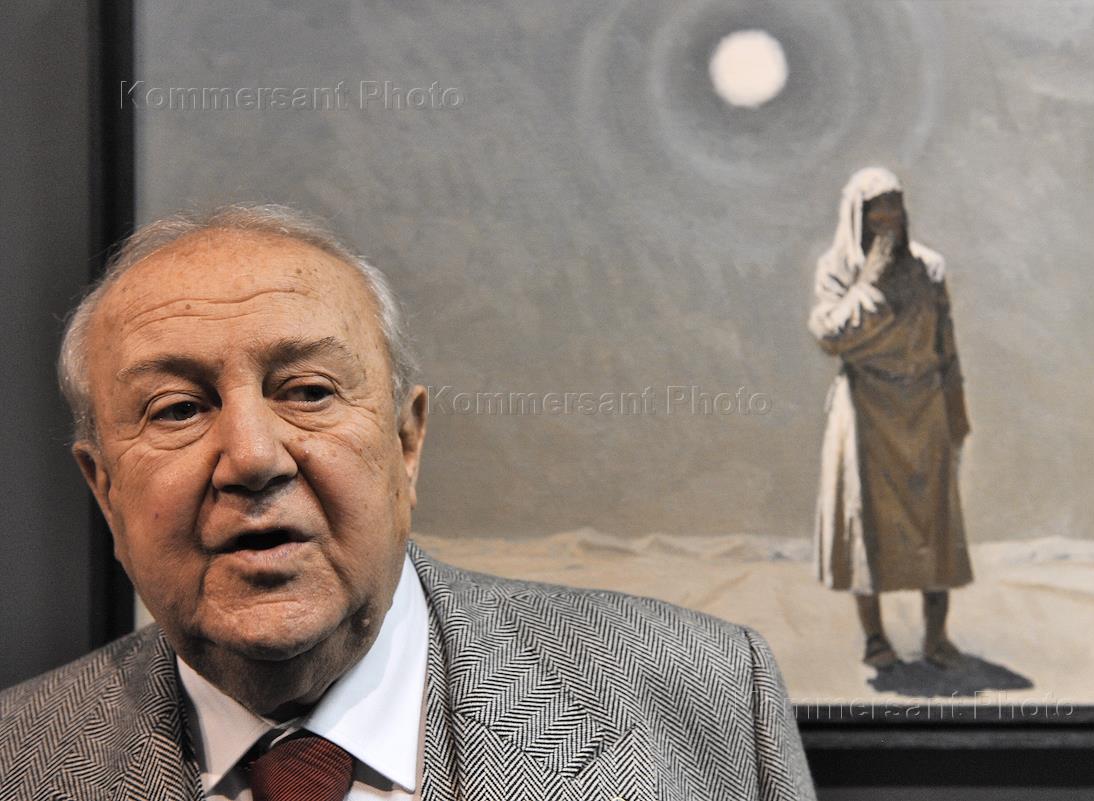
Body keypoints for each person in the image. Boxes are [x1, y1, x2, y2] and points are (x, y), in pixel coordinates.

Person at [0, 204, 815, 800]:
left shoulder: (704, 696)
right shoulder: (17, 760)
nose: (252, 457)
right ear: (104, 489)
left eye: (309, 391)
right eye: (178, 408)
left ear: (406, 443)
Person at [808, 167, 972, 671]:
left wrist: (956, 408)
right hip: (866, 411)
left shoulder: (929, 267)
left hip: (924, 406)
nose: (887, 222)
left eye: (894, 209)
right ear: (856, 217)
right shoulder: (837, 271)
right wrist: (870, 282)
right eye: (876, 213)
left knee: (934, 523)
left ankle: (936, 637)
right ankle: (874, 638)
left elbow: (945, 343)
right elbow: (830, 336)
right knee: (868, 522)